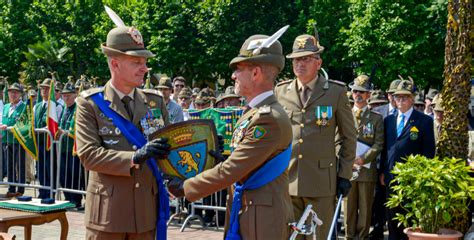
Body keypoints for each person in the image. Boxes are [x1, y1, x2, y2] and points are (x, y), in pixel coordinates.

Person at [168, 33, 294, 240]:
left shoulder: (268, 118)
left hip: (261, 218)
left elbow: (233, 170)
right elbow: (244, 164)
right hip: (249, 209)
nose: (234, 75)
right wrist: (222, 161)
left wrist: (185, 187)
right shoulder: (255, 112)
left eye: (239, 69)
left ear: (255, 73)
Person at [75, 24, 171, 239]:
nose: (144, 68)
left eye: (145, 62)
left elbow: (169, 150)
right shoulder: (90, 104)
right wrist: (135, 157)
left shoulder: (154, 102)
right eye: (136, 62)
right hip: (108, 214)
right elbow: (89, 155)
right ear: (115, 64)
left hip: (146, 212)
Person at [274, 34, 356, 239]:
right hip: (288, 180)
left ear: (318, 63)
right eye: (296, 59)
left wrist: (344, 174)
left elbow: (348, 136)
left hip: (321, 183)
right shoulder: (281, 91)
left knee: (319, 236)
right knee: (289, 236)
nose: (299, 64)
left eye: (306, 59)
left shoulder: (335, 92)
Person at [381, 79, 435, 240]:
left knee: (409, 220)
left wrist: (422, 176)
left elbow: (428, 152)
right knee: (392, 219)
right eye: (398, 97)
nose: (401, 100)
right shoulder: (388, 120)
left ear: (412, 99)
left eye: (405, 97)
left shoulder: (424, 121)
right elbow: (385, 149)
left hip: (411, 179)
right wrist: (382, 171)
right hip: (391, 177)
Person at [344, 75, 384, 240]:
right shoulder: (345, 114)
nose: (358, 95)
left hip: (366, 170)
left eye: (362, 92)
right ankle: (349, 236)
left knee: (366, 208)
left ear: (369, 95)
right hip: (348, 169)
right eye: (355, 91)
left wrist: (363, 159)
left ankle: (362, 237)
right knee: (349, 208)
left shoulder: (376, 118)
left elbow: (378, 143)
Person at [57, 81, 84, 208]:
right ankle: (68, 198)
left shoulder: (78, 109)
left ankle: (76, 200)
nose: (66, 97)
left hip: (73, 148)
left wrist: (66, 132)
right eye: (64, 95)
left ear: (75, 95)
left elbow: (78, 128)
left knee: (75, 175)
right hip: (63, 147)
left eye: (68, 95)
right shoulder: (64, 109)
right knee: (63, 174)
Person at [33, 78, 58, 199]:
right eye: (42, 88)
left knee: (50, 168)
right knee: (40, 168)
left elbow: (55, 125)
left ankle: (50, 192)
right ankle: (42, 191)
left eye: (47, 89)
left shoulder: (55, 106)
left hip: (50, 143)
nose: (44, 91)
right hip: (39, 142)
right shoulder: (36, 106)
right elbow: (32, 122)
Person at [0, 83, 26, 197]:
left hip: (18, 141)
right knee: (9, 165)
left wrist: (10, 128)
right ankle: (11, 188)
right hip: (6, 140)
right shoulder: (5, 107)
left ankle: (20, 189)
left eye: (15, 92)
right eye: (11, 92)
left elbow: (24, 123)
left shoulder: (24, 106)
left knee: (19, 166)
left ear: (20, 94)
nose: (13, 94)